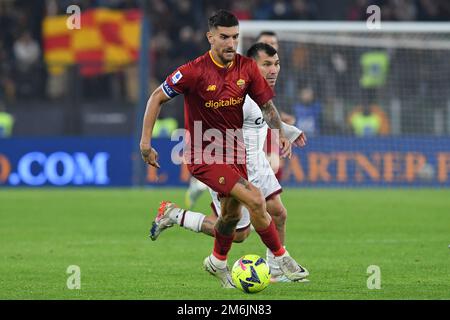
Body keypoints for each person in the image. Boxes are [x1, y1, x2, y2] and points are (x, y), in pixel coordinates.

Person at [140, 10, 308, 288]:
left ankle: (216, 262)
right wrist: (145, 143)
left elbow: (266, 107)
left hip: (236, 153)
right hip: (204, 155)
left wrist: (281, 132)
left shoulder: (247, 69)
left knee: (232, 221)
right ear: (210, 37)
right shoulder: (193, 71)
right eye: (224, 37)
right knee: (256, 200)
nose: (231, 43)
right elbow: (157, 97)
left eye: (235, 37)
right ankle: (282, 258)